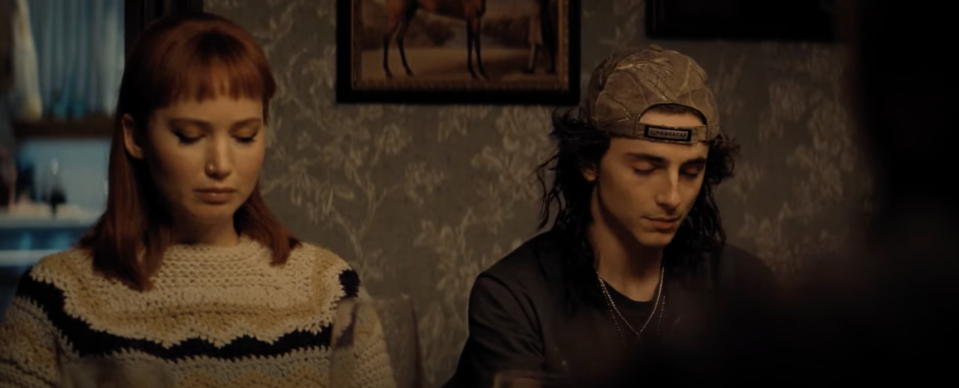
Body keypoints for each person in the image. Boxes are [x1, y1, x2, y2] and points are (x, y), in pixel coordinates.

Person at [0, 13, 393, 388]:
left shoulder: (330, 290)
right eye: (189, 135)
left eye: (245, 136)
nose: (221, 165)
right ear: (135, 137)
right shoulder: (57, 298)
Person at [446, 45, 778, 388]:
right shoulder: (513, 297)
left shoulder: (744, 286)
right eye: (646, 169)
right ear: (590, 162)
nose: (672, 197)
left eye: (691, 172)